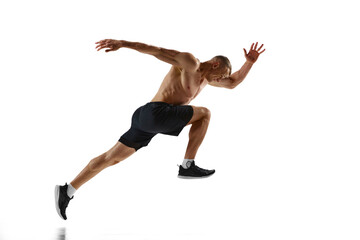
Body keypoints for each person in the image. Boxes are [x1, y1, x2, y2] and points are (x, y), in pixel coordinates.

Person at [55, 39, 265, 220]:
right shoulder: (190, 63)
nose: (221, 79)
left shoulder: (207, 81)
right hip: (154, 113)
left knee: (113, 157)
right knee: (205, 114)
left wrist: (249, 63)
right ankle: (187, 165)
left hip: (150, 120)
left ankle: (68, 190)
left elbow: (233, 83)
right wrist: (123, 44)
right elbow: (155, 50)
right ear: (216, 64)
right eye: (222, 74)